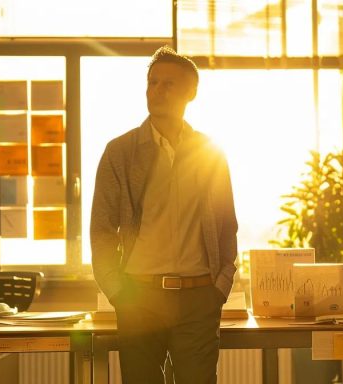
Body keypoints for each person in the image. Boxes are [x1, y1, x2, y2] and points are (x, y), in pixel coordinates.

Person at [90, 46, 238, 383]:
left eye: (168, 84)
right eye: (152, 83)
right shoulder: (120, 152)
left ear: (191, 93)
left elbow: (227, 224)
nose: (156, 91)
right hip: (139, 298)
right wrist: (117, 292)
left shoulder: (209, 151)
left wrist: (220, 286)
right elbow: (101, 229)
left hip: (199, 298)